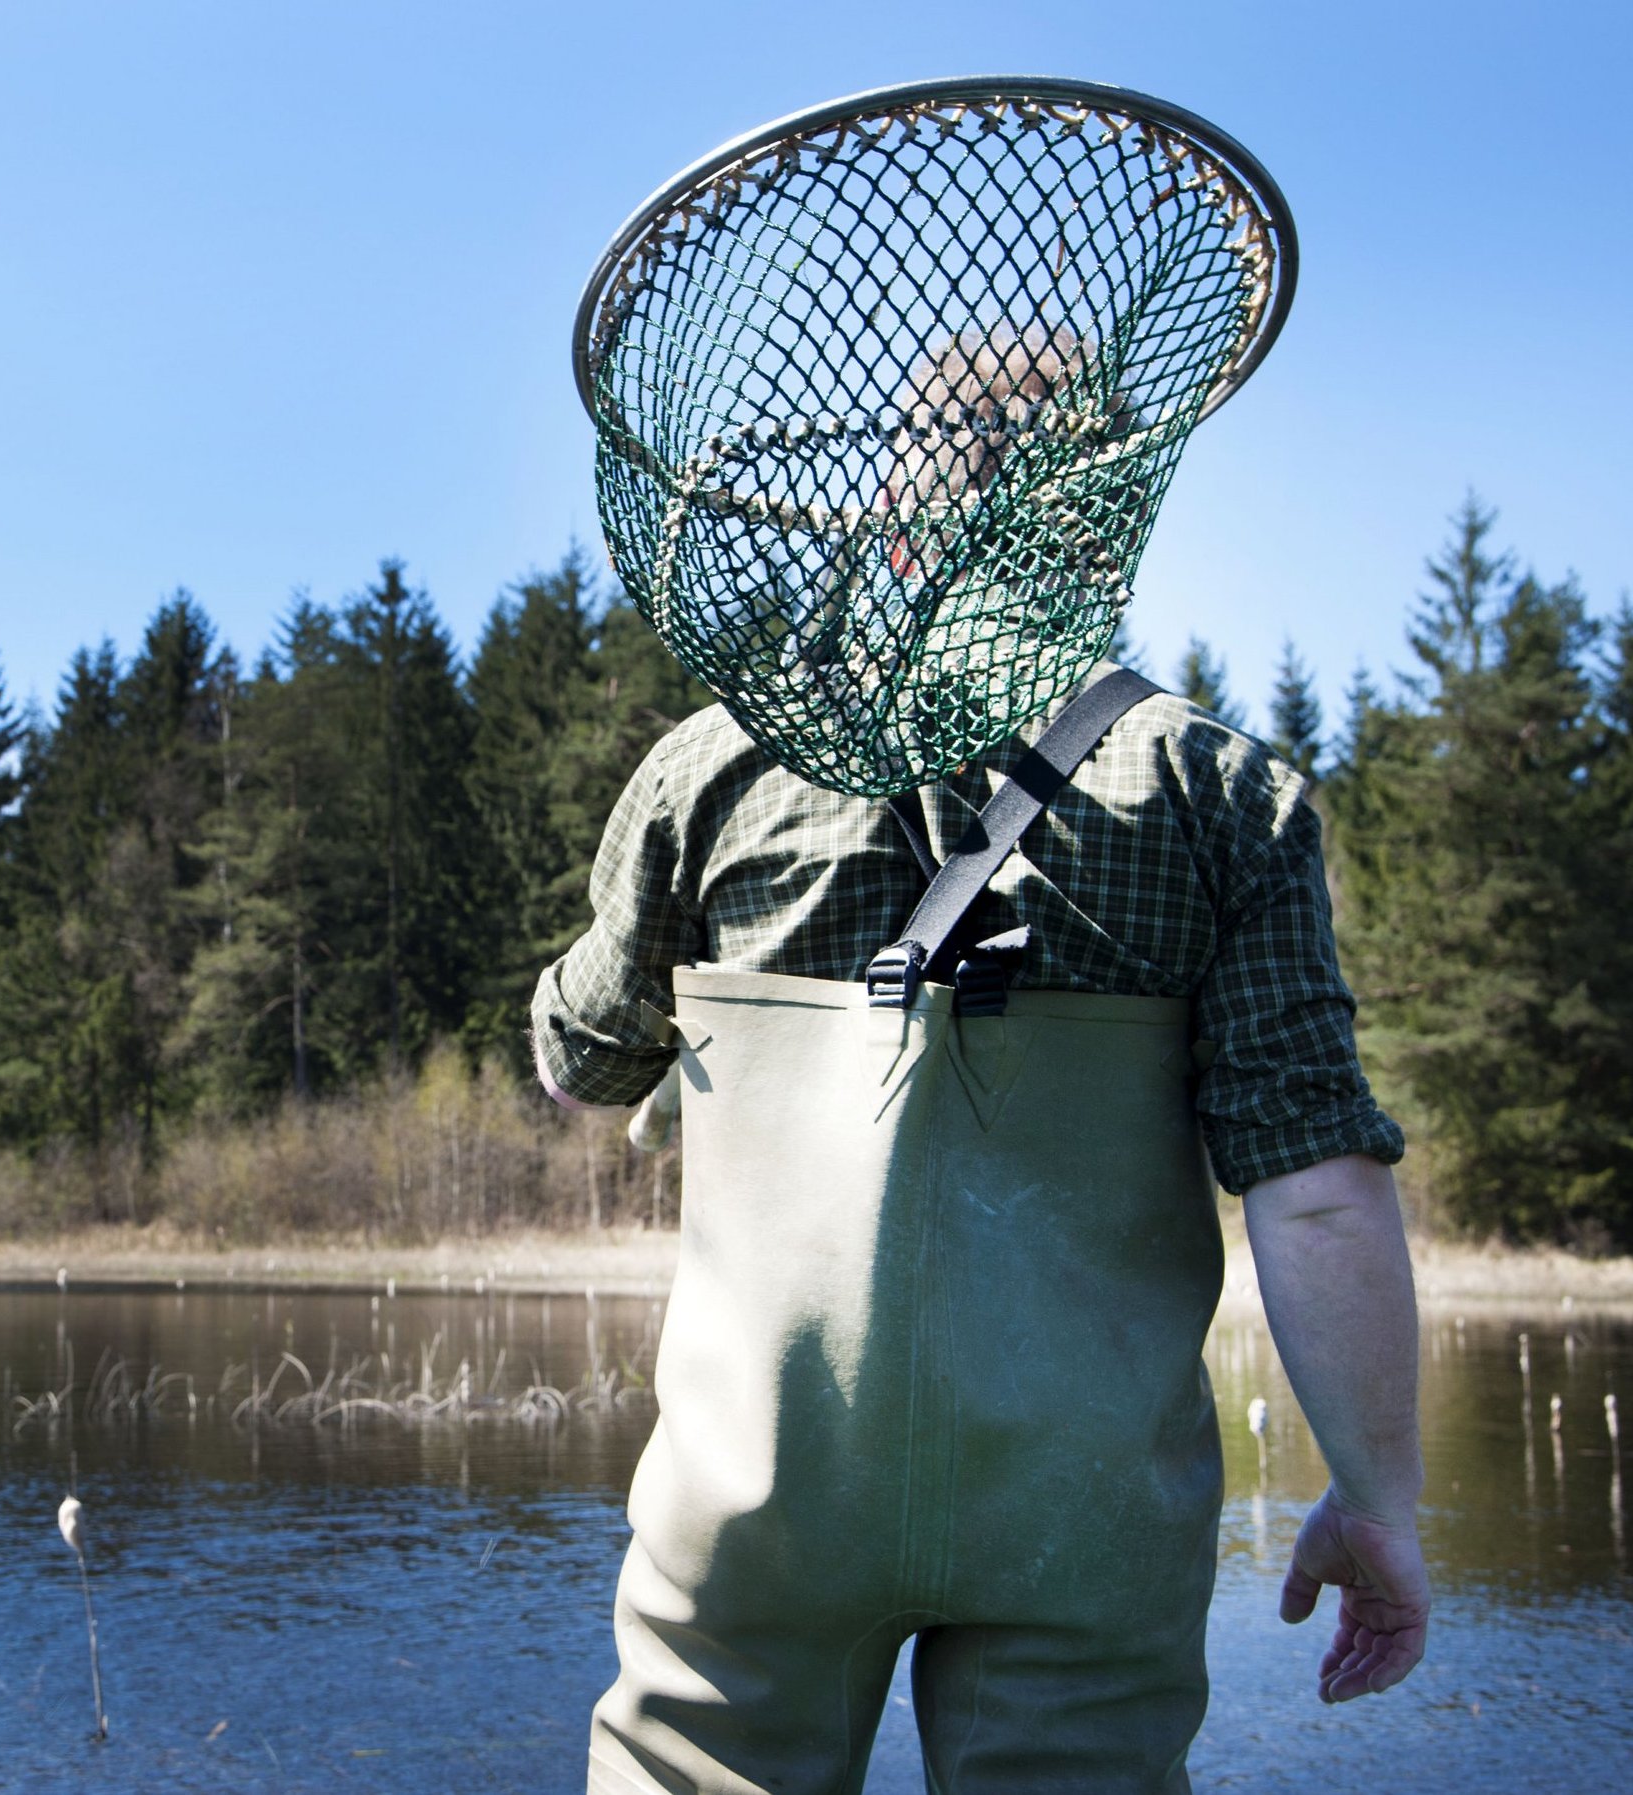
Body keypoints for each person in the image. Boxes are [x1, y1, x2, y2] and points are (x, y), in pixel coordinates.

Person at [535, 328, 1432, 1792]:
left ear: (894, 520)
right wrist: (1377, 1499)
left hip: (760, 1497)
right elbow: (1319, 1191)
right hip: (1085, 1512)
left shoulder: (715, 768)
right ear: (1104, 526)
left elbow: (583, 1065)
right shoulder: (1218, 791)